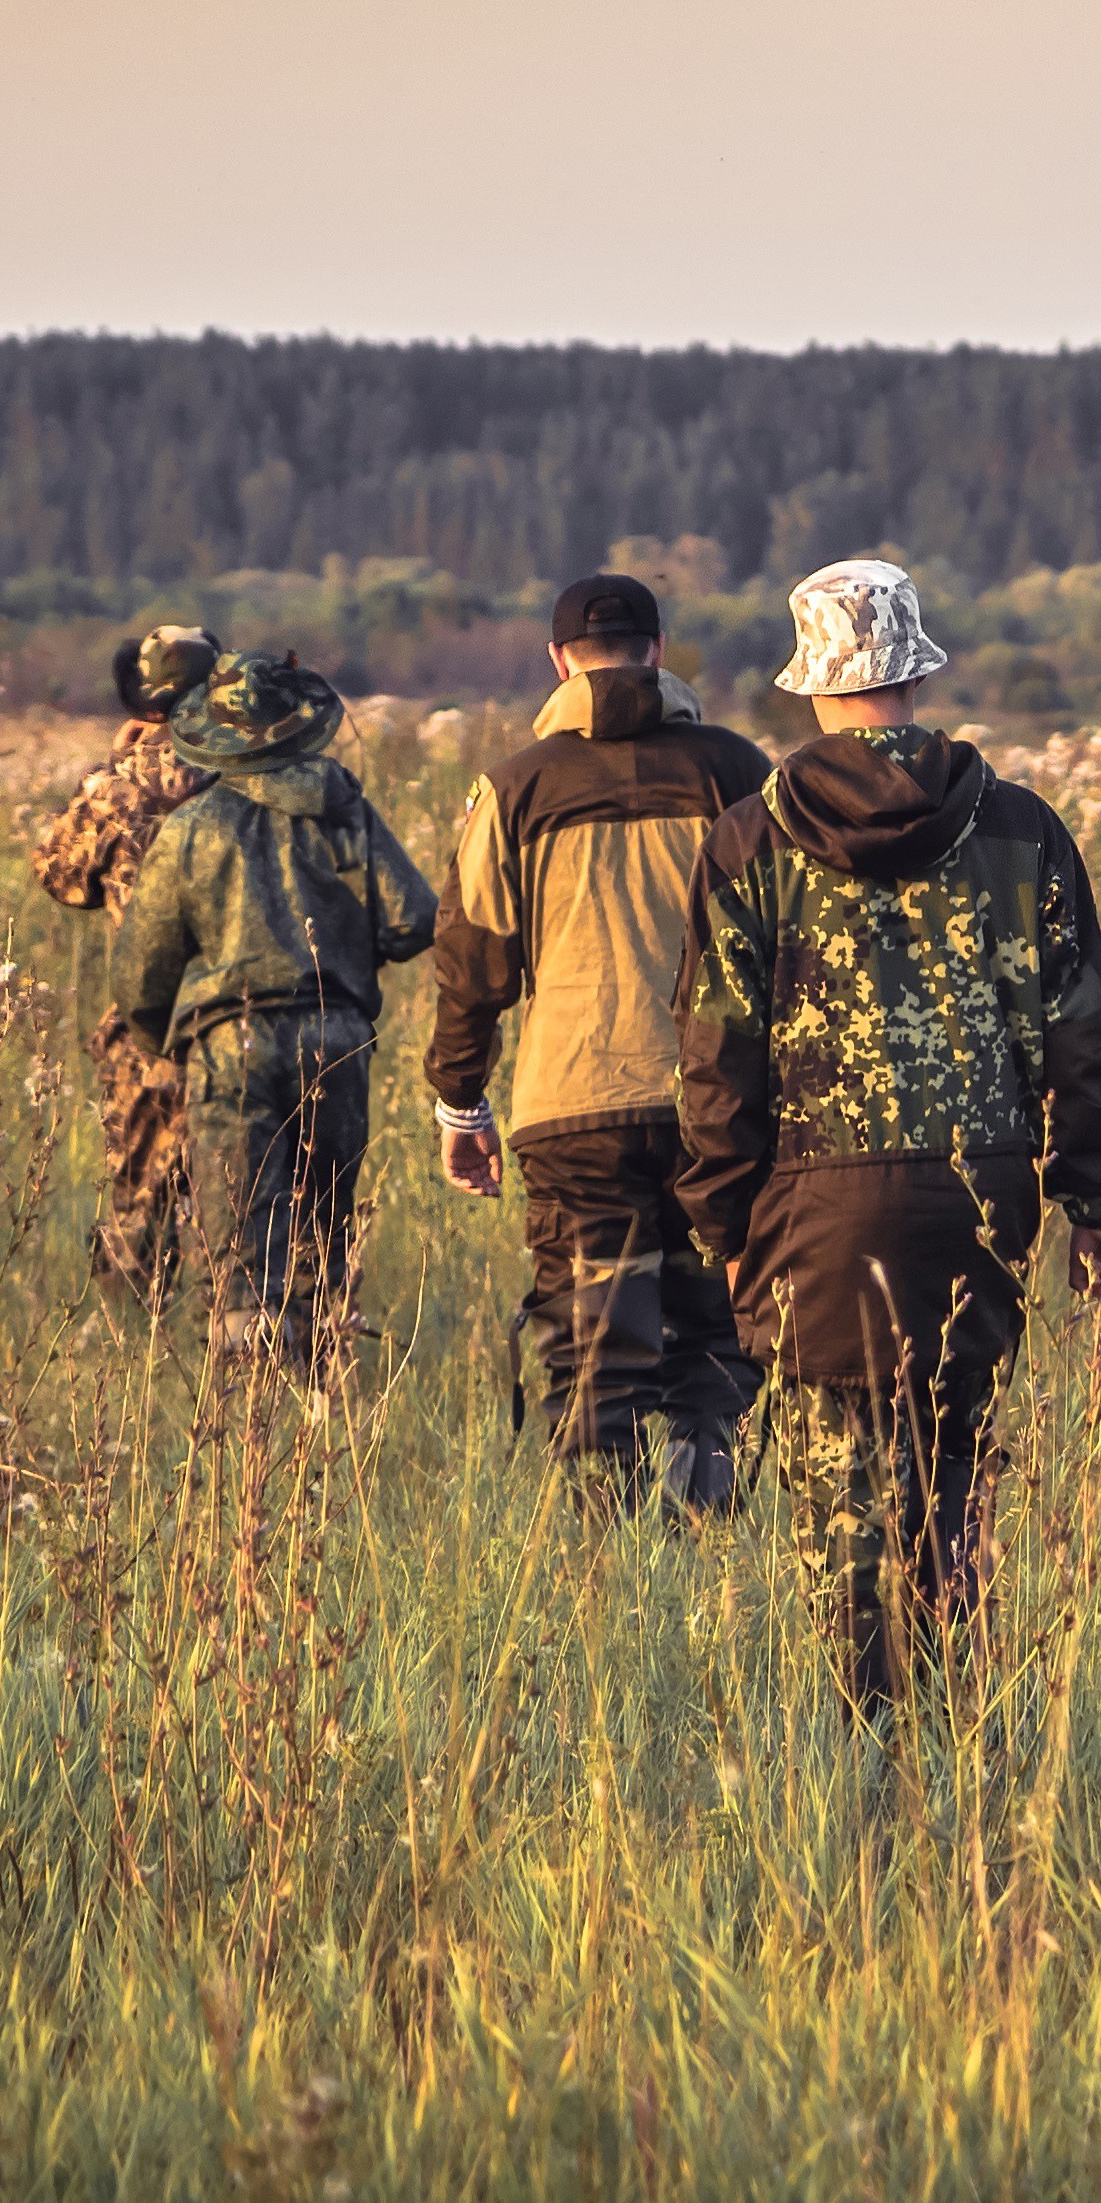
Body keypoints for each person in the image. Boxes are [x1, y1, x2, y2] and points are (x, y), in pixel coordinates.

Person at [676, 558, 1101, 1710]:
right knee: (956, 1497)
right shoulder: (1020, 827)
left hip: (809, 1220)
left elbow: (717, 1062)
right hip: (973, 1213)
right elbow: (1078, 1036)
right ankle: (960, 1751)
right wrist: (1098, 1206)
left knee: (845, 1521)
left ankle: (866, 1762)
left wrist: (721, 1228)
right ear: (916, 669)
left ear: (812, 683)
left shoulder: (749, 841)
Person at [424, 572, 777, 1508]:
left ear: (557, 662)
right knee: (721, 1346)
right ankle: (714, 1556)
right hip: (720, 1109)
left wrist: (462, 1101)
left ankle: (605, 1579)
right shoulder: (737, 771)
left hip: (571, 1112)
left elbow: (472, 966)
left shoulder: (514, 788)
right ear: (660, 652)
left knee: (593, 1354)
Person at [110, 647, 440, 1389]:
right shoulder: (348, 811)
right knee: (325, 1226)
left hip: (233, 1041)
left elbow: (140, 973)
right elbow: (415, 918)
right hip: (337, 1036)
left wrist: (169, 1043)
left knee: (236, 1243)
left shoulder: (194, 825)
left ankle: (250, 1416)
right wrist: (358, 948)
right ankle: (325, 1398)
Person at [31, 623, 223, 1302]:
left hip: (149, 1032)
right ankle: (252, 1358)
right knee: (254, 1201)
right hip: (254, 1022)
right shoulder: (254, 774)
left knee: (140, 1198)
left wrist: (110, 771)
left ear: (143, 703)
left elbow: (59, 874)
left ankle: (130, 1354)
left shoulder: (119, 787)